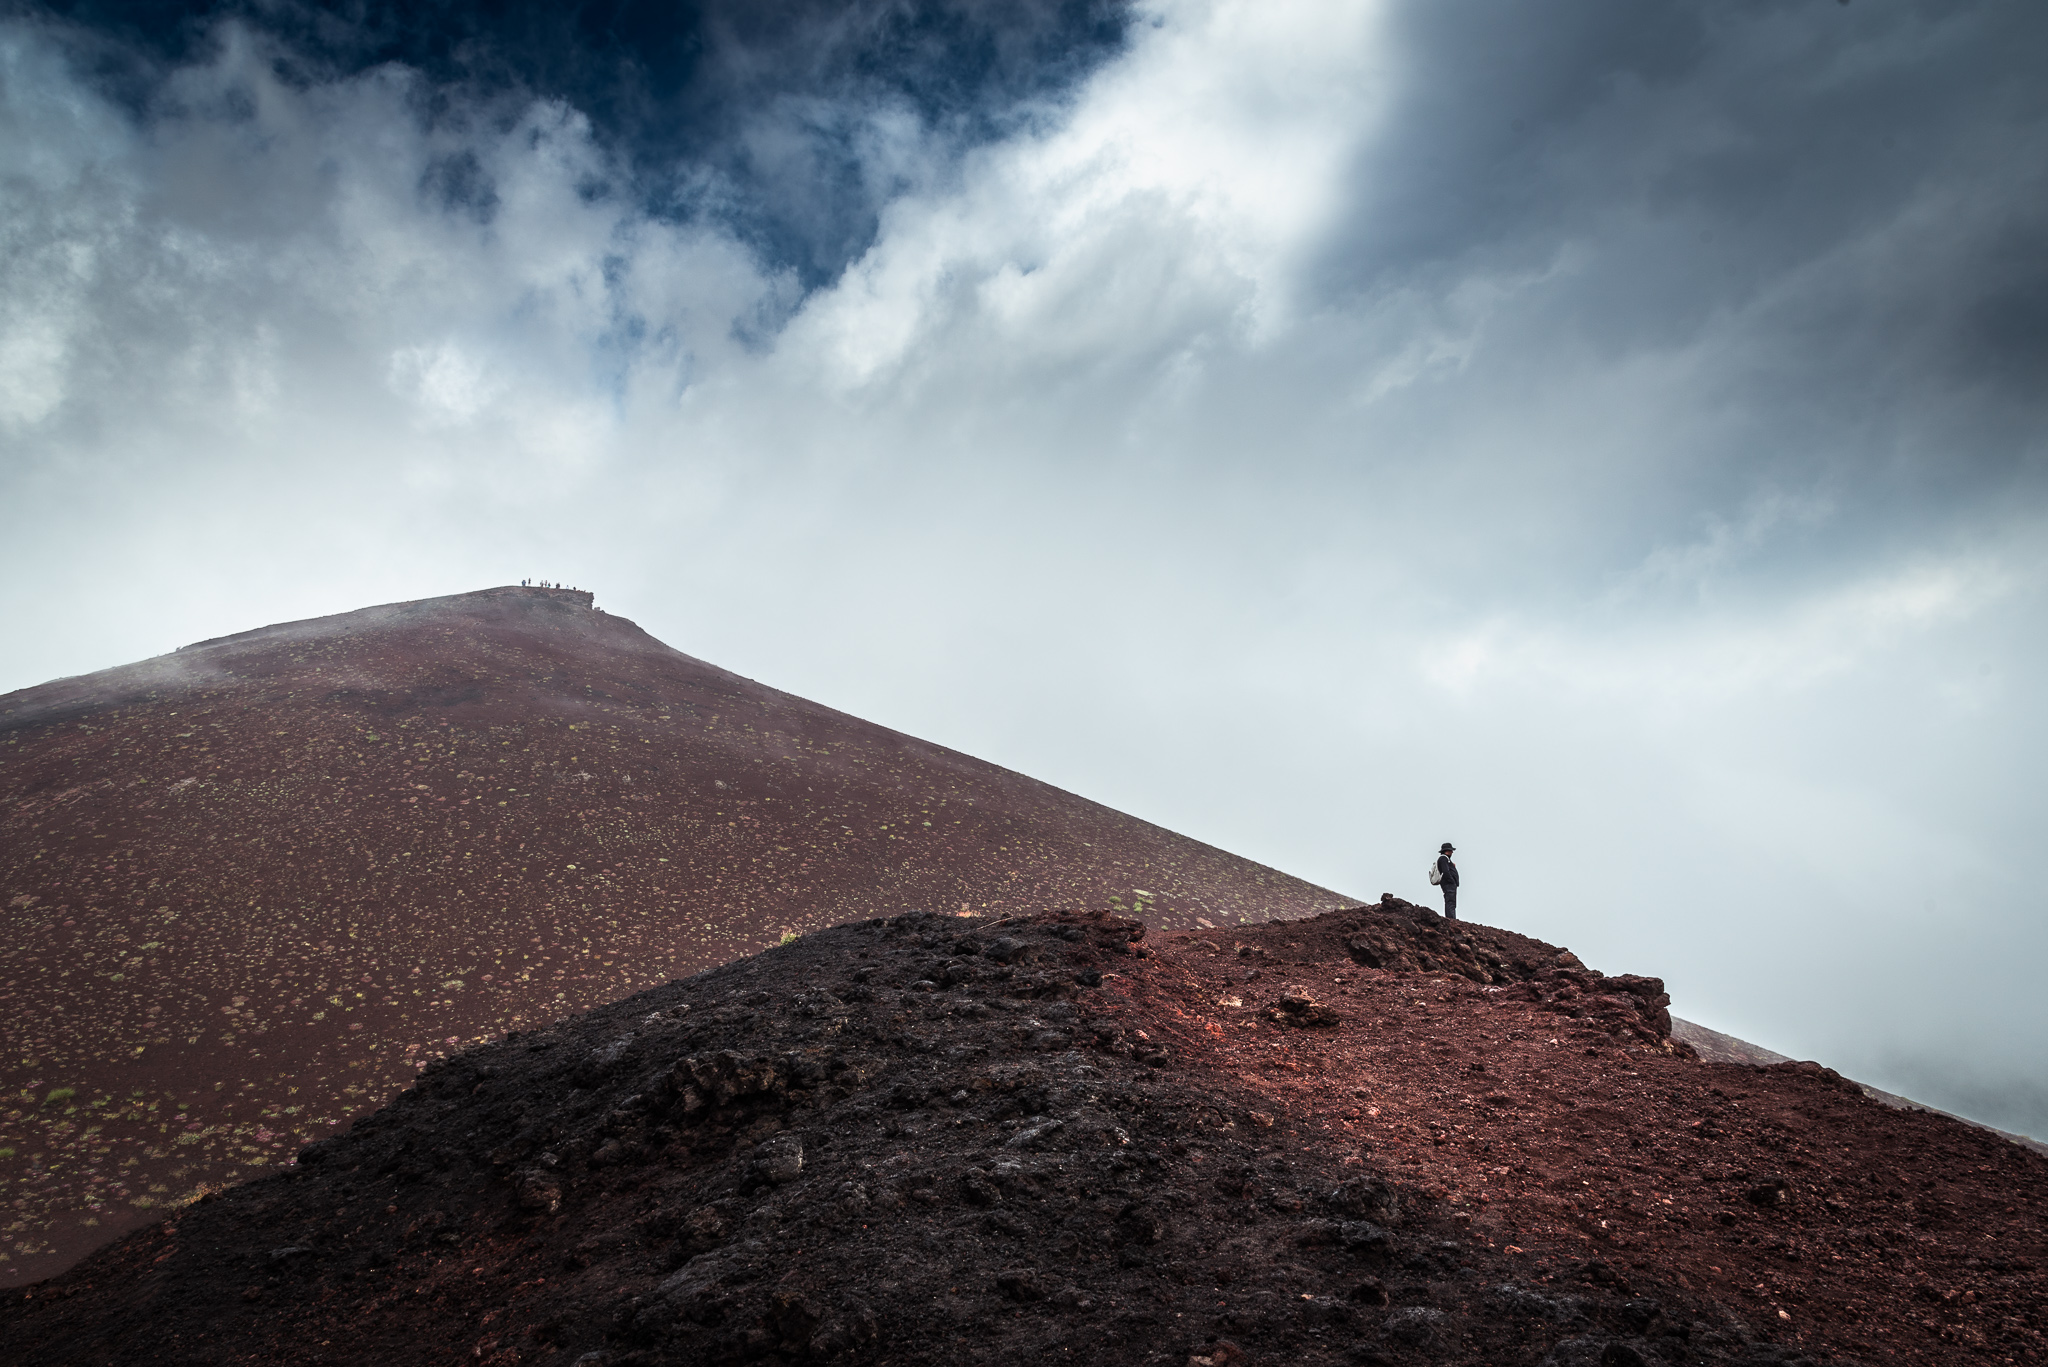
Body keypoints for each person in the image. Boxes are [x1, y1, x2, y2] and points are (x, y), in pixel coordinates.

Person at [1435, 842, 1459, 920]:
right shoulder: (1443, 858)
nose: (1452, 852)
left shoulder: (1446, 859)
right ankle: (1451, 919)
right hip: (1448, 884)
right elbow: (1446, 872)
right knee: (1450, 902)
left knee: (1451, 902)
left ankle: (1451, 918)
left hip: (1449, 884)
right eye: (1450, 850)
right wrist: (1451, 881)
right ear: (1446, 851)